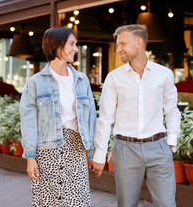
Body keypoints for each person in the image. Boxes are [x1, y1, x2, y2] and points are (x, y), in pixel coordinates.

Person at [92, 24, 181, 207]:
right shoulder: (114, 77)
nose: (119, 49)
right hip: (126, 150)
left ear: (139, 43)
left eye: (123, 44)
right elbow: (105, 118)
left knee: (167, 204)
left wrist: (171, 143)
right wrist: (99, 155)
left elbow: (172, 110)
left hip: (158, 147)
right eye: (117, 45)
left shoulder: (164, 75)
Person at [20, 27, 96, 207]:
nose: (75, 49)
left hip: (76, 149)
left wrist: (93, 151)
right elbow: (28, 122)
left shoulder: (81, 80)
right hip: (47, 151)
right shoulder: (36, 82)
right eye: (72, 44)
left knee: (78, 202)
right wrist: (31, 158)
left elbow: (91, 117)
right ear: (57, 47)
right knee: (48, 203)